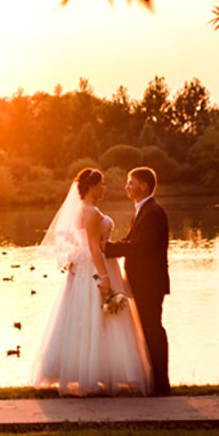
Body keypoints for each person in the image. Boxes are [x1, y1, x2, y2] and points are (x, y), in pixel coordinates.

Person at [31, 168, 152, 396]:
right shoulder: (91, 212)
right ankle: (100, 373)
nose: (104, 188)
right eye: (102, 184)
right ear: (92, 186)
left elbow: (86, 244)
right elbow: (95, 248)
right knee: (100, 318)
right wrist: (104, 277)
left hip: (85, 266)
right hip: (96, 267)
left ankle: (92, 371)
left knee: (84, 317)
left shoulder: (82, 210)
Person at [104, 166, 171, 396]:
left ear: (143, 186)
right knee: (147, 329)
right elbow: (132, 241)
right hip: (142, 281)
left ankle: (161, 384)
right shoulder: (142, 210)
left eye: (130, 183)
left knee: (153, 329)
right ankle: (155, 381)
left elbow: (141, 247)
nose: (126, 187)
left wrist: (106, 249)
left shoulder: (153, 212)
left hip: (150, 283)